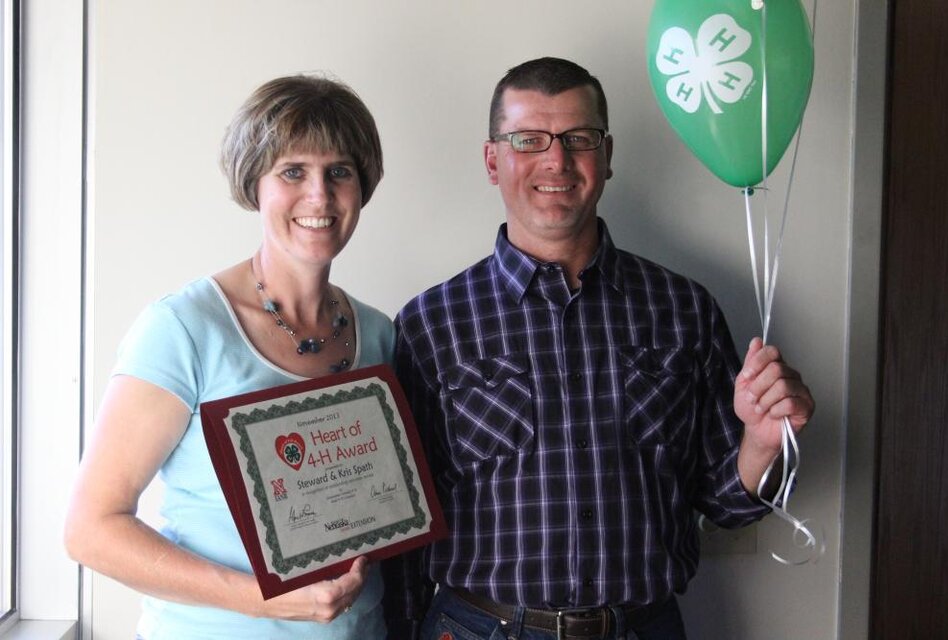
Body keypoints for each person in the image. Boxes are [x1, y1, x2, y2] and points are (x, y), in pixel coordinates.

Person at [383, 57, 815, 640]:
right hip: (479, 628)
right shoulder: (431, 325)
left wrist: (765, 443)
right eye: (528, 140)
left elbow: (728, 504)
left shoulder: (684, 309)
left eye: (578, 139)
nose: (556, 160)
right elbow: (405, 533)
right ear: (493, 160)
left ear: (606, 157)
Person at [65, 75, 393, 639]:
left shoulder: (380, 335)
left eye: (339, 171)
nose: (319, 195)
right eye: (293, 171)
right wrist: (267, 600)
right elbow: (90, 530)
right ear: (255, 185)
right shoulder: (183, 328)